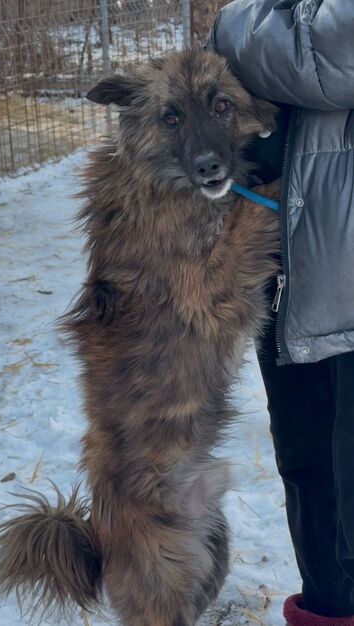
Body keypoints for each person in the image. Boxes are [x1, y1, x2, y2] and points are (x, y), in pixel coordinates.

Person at [206, 1, 354, 624]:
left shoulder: (259, 20)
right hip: (293, 277)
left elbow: (330, 53)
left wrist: (235, 23)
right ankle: (327, 608)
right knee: (308, 462)